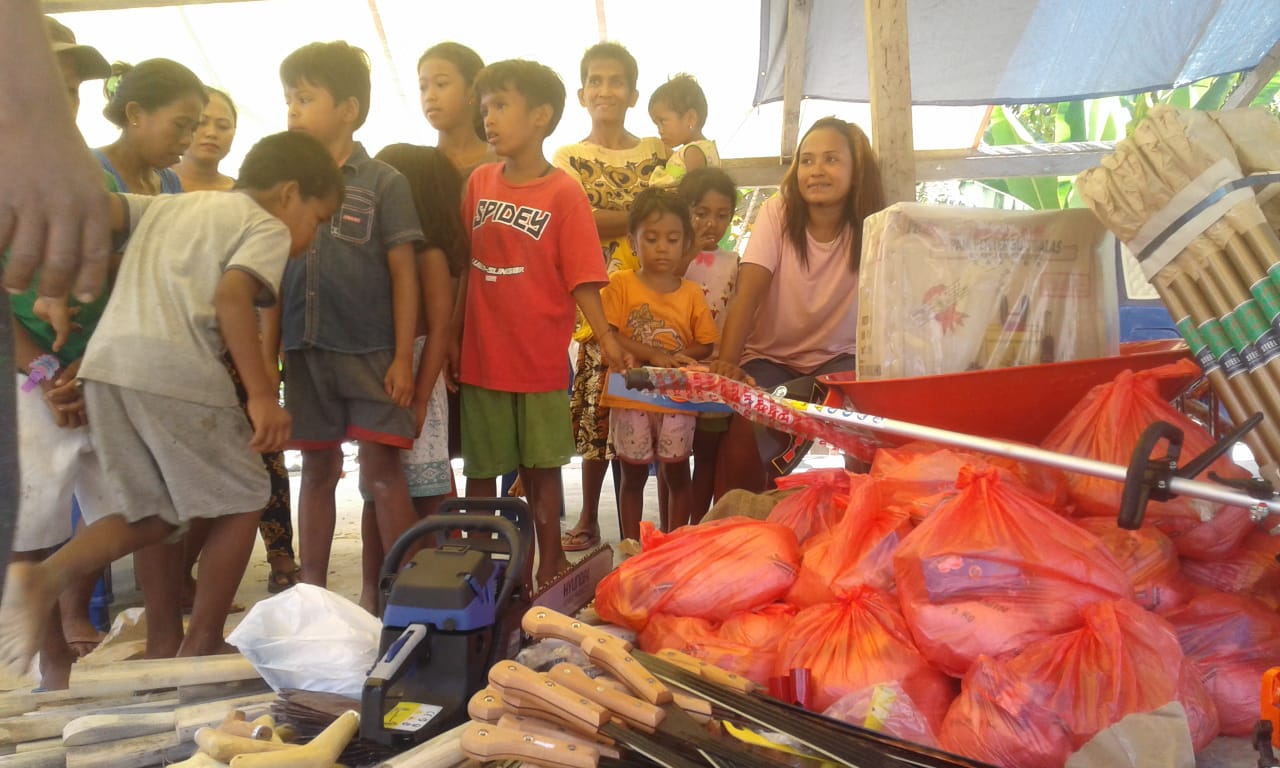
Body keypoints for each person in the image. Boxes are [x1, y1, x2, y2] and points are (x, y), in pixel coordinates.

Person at [0, 130, 343, 672]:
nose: (312, 236)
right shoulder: (266, 225)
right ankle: (202, 639)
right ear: (289, 193)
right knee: (246, 495)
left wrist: (55, 287)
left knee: (154, 514)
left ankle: (46, 577)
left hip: (106, 371)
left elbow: (92, 212)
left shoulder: (166, 207)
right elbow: (232, 296)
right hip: (176, 371)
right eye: (318, 220)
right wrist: (262, 394)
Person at [450, 59, 626, 588]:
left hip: (540, 363)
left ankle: (550, 562)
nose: (489, 119)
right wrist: (452, 339)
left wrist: (607, 338)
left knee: (543, 469)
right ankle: (484, 570)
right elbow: (463, 269)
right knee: (481, 471)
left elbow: (584, 277)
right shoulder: (478, 183)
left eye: (502, 106)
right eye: (486, 108)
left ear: (541, 116)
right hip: (482, 359)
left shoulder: (564, 193)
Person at [279, 41, 423, 588]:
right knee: (317, 469)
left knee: (383, 472)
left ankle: (406, 594)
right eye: (289, 98)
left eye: (304, 98)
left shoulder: (384, 181)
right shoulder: (285, 186)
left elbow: (404, 274)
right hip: (305, 351)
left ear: (348, 109)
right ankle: (310, 591)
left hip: (371, 353)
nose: (292, 109)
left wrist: (403, 358)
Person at [7, 15, 112, 690]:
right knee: (35, 516)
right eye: (52, 83)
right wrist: (47, 376)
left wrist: (94, 365)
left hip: (100, 369)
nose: (64, 100)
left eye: (72, 87)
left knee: (135, 511)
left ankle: (153, 634)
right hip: (29, 376)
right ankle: (53, 662)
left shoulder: (93, 176)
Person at [171, 85, 303, 598]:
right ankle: (182, 576)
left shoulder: (248, 197)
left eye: (222, 124)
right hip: (187, 351)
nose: (210, 132)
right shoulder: (161, 191)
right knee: (200, 472)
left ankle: (282, 555)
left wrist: (266, 365)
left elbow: (265, 292)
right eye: (200, 122)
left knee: (264, 456)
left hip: (243, 349)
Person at [711, 117, 885, 493]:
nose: (816, 170)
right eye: (807, 160)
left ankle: (865, 514)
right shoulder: (778, 212)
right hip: (771, 357)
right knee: (746, 429)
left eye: (831, 160)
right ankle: (738, 521)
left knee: (868, 432)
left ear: (856, 172)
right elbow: (748, 293)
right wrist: (727, 364)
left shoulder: (875, 223)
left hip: (840, 360)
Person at [554, 42, 666, 554]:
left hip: (655, 299)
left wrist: (612, 218)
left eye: (616, 81)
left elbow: (673, 212)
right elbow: (577, 222)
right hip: (594, 303)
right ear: (581, 94)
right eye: (595, 81)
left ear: (633, 94)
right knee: (597, 409)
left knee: (651, 410)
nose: (605, 90)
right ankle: (589, 516)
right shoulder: (567, 156)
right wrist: (643, 215)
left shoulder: (656, 150)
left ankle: (647, 527)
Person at [358, 143, 461, 612]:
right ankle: (376, 590)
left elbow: (439, 330)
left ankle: (428, 589)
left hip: (419, 380)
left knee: (428, 493)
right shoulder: (381, 251)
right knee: (376, 491)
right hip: (384, 378)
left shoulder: (429, 255)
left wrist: (421, 399)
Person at [604, 189, 717, 539]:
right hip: (631, 396)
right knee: (633, 476)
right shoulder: (620, 284)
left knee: (678, 473)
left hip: (676, 399)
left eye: (672, 239)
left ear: (686, 244)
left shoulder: (692, 293)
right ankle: (631, 547)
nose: (662, 248)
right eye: (651, 239)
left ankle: (673, 545)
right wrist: (653, 355)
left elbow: (706, 343)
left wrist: (681, 357)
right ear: (632, 242)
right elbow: (609, 334)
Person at [676, 168, 739, 522]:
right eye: (700, 213)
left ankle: (697, 525)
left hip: (715, 374)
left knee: (707, 455)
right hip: (675, 371)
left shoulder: (736, 263)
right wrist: (687, 253)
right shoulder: (670, 259)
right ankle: (673, 527)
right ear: (684, 211)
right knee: (673, 459)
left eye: (721, 215)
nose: (711, 223)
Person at [94, 59, 206, 194]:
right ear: (135, 114)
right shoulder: (88, 170)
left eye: (194, 129)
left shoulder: (171, 181)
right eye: (180, 125)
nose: (188, 140)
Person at [418, 42, 494, 178]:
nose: (429, 96)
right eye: (423, 87)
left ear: (472, 91)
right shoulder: (418, 166)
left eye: (441, 84)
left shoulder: (504, 162)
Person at [647, 74, 719, 189]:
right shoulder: (707, 147)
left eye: (663, 121)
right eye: (656, 124)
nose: (660, 131)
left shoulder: (692, 151)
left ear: (691, 118)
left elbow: (694, 192)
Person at [174, 86, 237, 192]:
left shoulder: (244, 195)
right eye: (201, 122)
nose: (212, 133)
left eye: (223, 126)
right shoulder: (152, 182)